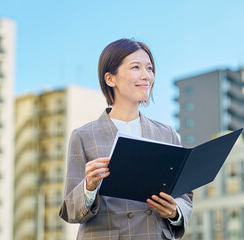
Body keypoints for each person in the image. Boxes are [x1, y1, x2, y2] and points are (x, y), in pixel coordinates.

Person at [59, 38, 193, 240]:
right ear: (110, 79)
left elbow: (184, 195)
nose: (146, 75)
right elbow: (70, 209)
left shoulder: (167, 134)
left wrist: (175, 212)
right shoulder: (84, 136)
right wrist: (89, 186)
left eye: (149, 68)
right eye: (136, 67)